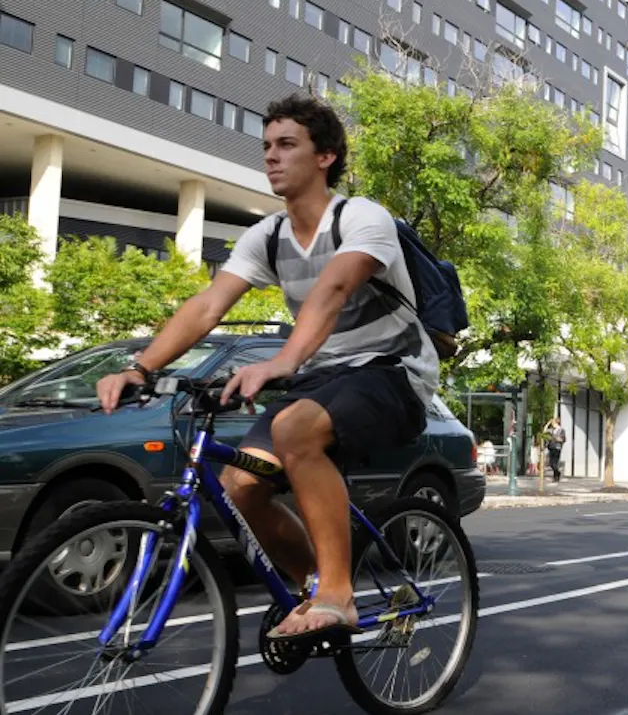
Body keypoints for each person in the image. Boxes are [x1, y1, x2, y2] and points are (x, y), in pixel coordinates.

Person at [96, 94, 438, 643]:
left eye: (287, 145)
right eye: (267, 147)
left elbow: (335, 286)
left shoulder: (360, 217)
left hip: (393, 372)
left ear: (324, 156)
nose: (271, 157)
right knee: (241, 485)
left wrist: (282, 361)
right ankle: (312, 588)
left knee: (294, 428)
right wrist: (141, 367)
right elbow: (208, 306)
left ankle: (338, 596)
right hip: (323, 378)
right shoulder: (269, 236)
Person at [544, 417, 565, 482]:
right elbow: (545, 430)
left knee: (555, 463)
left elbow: (563, 439)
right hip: (551, 447)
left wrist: (557, 439)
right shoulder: (552, 430)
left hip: (557, 447)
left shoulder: (561, 430)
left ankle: (556, 477)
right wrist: (548, 423)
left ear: (556, 423)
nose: (552, 424)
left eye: (552, 423)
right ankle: (557, 474)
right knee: (551, 463)